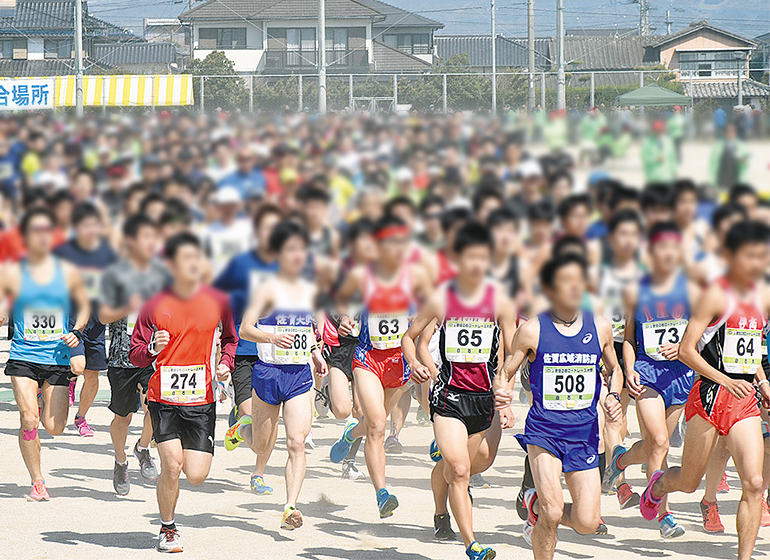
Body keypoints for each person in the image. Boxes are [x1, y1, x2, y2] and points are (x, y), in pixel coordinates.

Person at [638, 221, 770, 560]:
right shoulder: (715, 295)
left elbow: (749, 348)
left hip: (744, 402)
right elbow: (686, 350)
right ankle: (659, 485)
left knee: (753, 484)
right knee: (688, 480)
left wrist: (762, 381)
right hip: (710, 394)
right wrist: (726, 380)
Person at [495, 253, 622, 559]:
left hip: (584, 434)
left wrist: (613, 396)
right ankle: (542, 510)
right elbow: (505, 372)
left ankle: (533, 504)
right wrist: (502, 396)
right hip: (545, 432)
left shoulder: (601, 327)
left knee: (587, 522)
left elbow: (614, 369)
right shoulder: (533, 330)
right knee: (552, 514)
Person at [402, 222, 517, 560]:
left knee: (474, 464)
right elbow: (412, 338)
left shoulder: (500, 300)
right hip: (448, 396)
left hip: (485, 400)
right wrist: (418, 365)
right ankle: (471, 543)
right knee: (461, 470)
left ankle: (442, 498)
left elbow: (513, 353)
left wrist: (505, 391)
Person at [129, 232, 237, 553]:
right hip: (163, 399)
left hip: (201, 401)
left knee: (197, 475)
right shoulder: (155, 302)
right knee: (172, 466)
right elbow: (135, 353)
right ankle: (168, 528)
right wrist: (151, 347)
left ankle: (169, 512)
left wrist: (226, 364)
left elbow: (231, 339)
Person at [329, 214, 431, 518]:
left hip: (398, 362)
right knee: (377, 426)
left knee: (374, 424)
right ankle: (382, 493)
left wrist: (419, 322)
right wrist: (344, 319)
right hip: (368, 358)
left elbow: (433, 309)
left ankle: (349, 435)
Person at [604, 222, 700, 538]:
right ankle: (664, 515)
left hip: (681, 376)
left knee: (650, 448)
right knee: (659, 442)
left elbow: (700, 337)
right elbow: (629, 338)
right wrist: (629, 369)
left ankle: (620, 460)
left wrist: (685, 347)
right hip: (648, 374)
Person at [233, 220, 328, 530]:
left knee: (296, 444)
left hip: (299, 376)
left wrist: (314, 351)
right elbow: (246, 328)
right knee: (262, 445)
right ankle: (243, 426)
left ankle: (290, 507)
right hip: (268, 374)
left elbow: (306, 329)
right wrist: (270, 338)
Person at [0, 207, 90, 500]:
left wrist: (76, 331)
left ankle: (41, 397)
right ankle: (37, 481)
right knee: (28, 421)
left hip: (57, 357)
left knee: (54, 428)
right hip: (24, 355)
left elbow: (85, 305)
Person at [212, 204, 281, 491]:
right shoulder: (237, 265)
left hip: (276, 355)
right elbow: (220, 309)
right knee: (253, 418)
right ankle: (241, 426)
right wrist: (220, 352)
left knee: (272, 422)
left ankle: (258, 474)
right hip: (243, 353)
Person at [99, 214, 169, 495]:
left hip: (154, 355)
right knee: (123, 417)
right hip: (121, 356)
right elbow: (103, 315)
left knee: (156, 407)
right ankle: (120, 460)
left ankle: (142, 448)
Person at [53, 202, 118, 437]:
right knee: (78, 367)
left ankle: (81, 418)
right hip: (72, 317)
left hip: (97, 323)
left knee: (93, 376)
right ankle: (70, 379)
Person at [320, 219, 378, 480]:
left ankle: (349, 462)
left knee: (361, 412)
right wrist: (340, 317)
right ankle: (328, 392)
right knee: (342, 410)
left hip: (367, 349)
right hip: (341, 348)